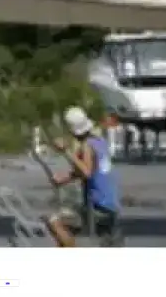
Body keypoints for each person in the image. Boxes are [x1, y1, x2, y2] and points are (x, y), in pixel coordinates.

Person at [45, 106, 124, 247]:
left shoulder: (87, 146)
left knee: (55, 222)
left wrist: (66, 151)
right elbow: (91, 170)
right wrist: (65, 178)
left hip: (98, 208)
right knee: (69, 227)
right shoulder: (100, 142)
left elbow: (86, 172)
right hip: (111, 205)